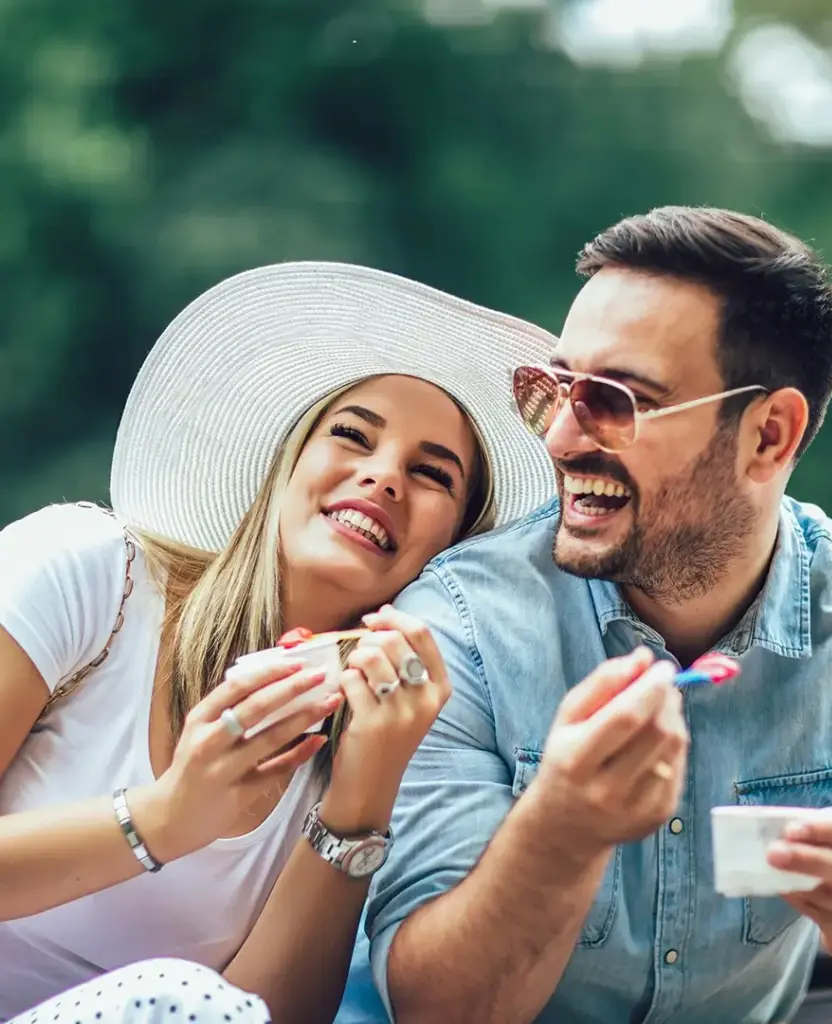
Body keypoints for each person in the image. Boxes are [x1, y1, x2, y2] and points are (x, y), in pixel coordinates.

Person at [362, 207, 832, 1023]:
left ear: (769, 436)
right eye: (552, 388)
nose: (562, 438)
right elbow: (433, 1011)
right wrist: (559, 831)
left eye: (613, 400)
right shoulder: (459, 622)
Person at [0, 261, 556, 1023]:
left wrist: (360, 798)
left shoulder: (388, 738)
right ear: (285, 464)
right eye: (352, 436)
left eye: (433, 475)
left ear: (454, 549)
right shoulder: (95, 576)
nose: (384, 476)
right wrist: (165, 816)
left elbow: (265, 1017)